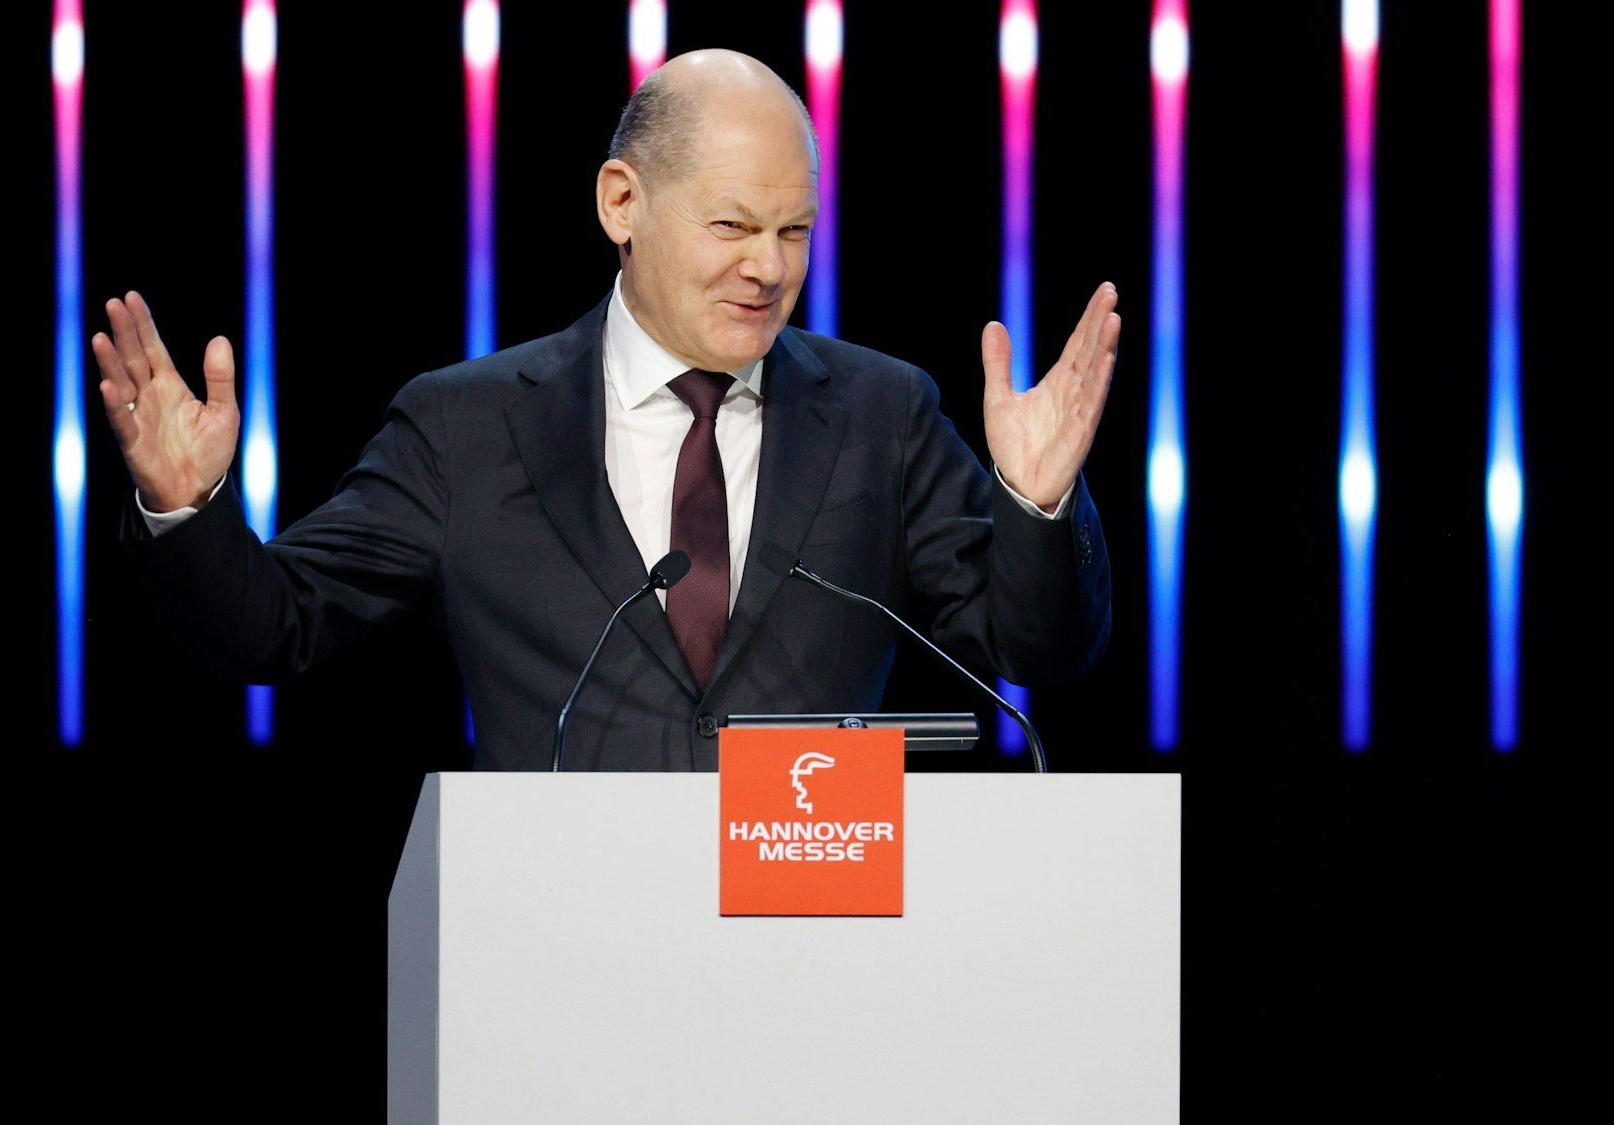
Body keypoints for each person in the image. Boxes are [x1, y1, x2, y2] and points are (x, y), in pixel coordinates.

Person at [94, 48, 1116, 772]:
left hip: (816, 940)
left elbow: (1034, 651)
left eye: (795, 231)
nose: (769, 269)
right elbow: (269, 629)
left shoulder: (881, 414)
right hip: (560, 954)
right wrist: (186, 512)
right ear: (621, 202)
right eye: (733, 226)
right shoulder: (466, 428)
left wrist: (1037, 506)